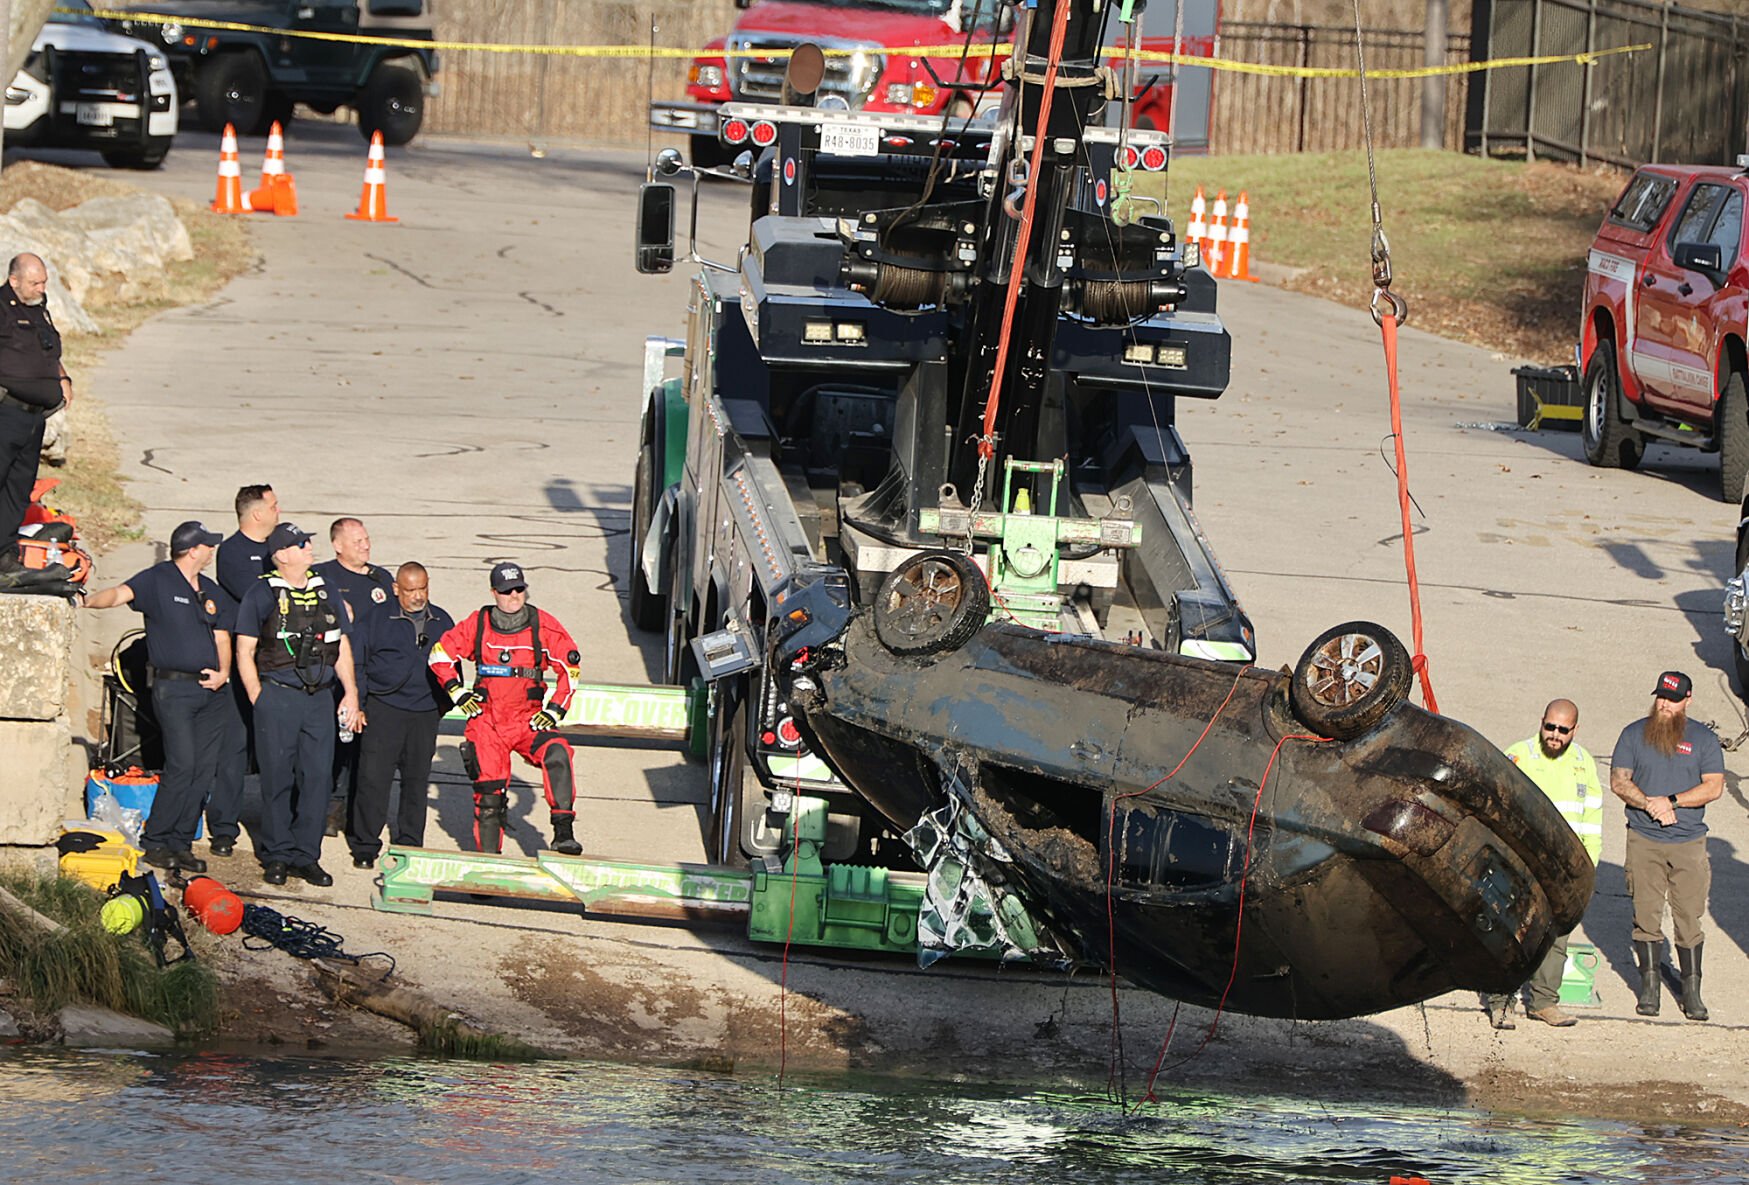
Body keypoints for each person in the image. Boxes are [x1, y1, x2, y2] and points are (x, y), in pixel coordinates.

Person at [81, 521, 233, 874]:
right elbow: (119, 594)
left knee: (202, 770)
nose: (212, 550)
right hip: (174, 688)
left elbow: (223, 635)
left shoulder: (210, 589)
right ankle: (156, 840)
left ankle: (180, 843)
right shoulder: (158, 579)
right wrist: (87, 600)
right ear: (193, 549)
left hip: (212, 691)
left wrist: (224, 672)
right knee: (181, 764)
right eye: (208, 545)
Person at [233, 523, 360, 887]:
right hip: (278, 696)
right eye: (302, 544)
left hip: (319, 698)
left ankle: (307, 855)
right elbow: (245, 651)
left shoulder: (326, 589)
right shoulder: (261, 593)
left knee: (318, 779)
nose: (309, 548)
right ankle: (276, 854)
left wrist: (350, 692)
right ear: (283, 554)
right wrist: (259, 696)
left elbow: (342, 646)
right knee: (276, 779)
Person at [428, 562, 584, 856]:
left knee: (558, 754)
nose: (513, 596)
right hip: (488, 723)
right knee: (489, 793)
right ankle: (489, 862)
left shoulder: (543, 624)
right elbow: (439, 655)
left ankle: (563, 832)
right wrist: (456, 692)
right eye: (506, 591)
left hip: (528, 719)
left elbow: (570, 667)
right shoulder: (478, 623)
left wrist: (554, 710)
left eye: (519, 589)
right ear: (493, 592)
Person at [1610, 671, 1725, 1022]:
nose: (1664, 704)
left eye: (1672, 699)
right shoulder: (1633, 734)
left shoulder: (1704, 740)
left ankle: (1692, 991)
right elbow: (1619, 781)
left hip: (1688, 842)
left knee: (1689, 917)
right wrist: (1650, 804)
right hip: (1644, 840)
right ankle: (1650, 986)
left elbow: (1714, 786)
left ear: (1687, 701)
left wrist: (1671, 801)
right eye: (1661, 697)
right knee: (1645, 916)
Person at [1484, 699, 1603, 1029]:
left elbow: (1592, 818)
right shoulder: (1518, 756)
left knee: (1555, 937)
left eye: (1563, 730)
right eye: (1549, 726)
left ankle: (1544, 1002)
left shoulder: (1584, 763)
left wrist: (1587, 867)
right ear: (1542, 722)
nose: (1554, 734)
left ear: (1574, 730)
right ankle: (1500, 1001)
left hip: (1564, 871)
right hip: (1520, 864)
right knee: (1509, 935)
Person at [348, 561, 453, 867]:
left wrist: (440, 706)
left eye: (422, 588)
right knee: (373, 781)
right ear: (396, 590)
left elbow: (453, 668)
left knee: (416, 782)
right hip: (384, 709)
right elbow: (358, 663)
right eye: (410, 591)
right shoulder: (376, 619)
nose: (417, 596)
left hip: (424, 713)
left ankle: (410, 846)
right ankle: (365, 846)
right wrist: (362, 704)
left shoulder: (442, 622)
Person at [210, 482, 281, 857]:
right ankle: (223, 827)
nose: (278, 510)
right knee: (233, 747)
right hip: (244, 661)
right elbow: (260, 599)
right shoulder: (234, 553)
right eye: (273, 504)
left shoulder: (280, 547)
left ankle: (274, 828)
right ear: (257, 513)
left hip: (279, 663)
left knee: (276, 748)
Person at [313, 516, 394, 837]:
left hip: (373, 677)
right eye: (357, 541)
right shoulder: (321, 577)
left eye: (366, 539)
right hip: (333, 677)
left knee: (366, 749)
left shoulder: (381, 579)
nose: (366, 545)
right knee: (332, 748)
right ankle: (329, 809)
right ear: (337, 545)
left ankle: (355, 811)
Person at [0, 254, 73, 588]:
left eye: (44, 282)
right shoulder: (3, 308)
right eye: (35, 282)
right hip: (6, 411)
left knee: (18, 490)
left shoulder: (38, 308)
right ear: (14, 281)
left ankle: (5, 558)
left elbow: (48, 353)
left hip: (33, 418)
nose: (42, 288)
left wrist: (63, 379)